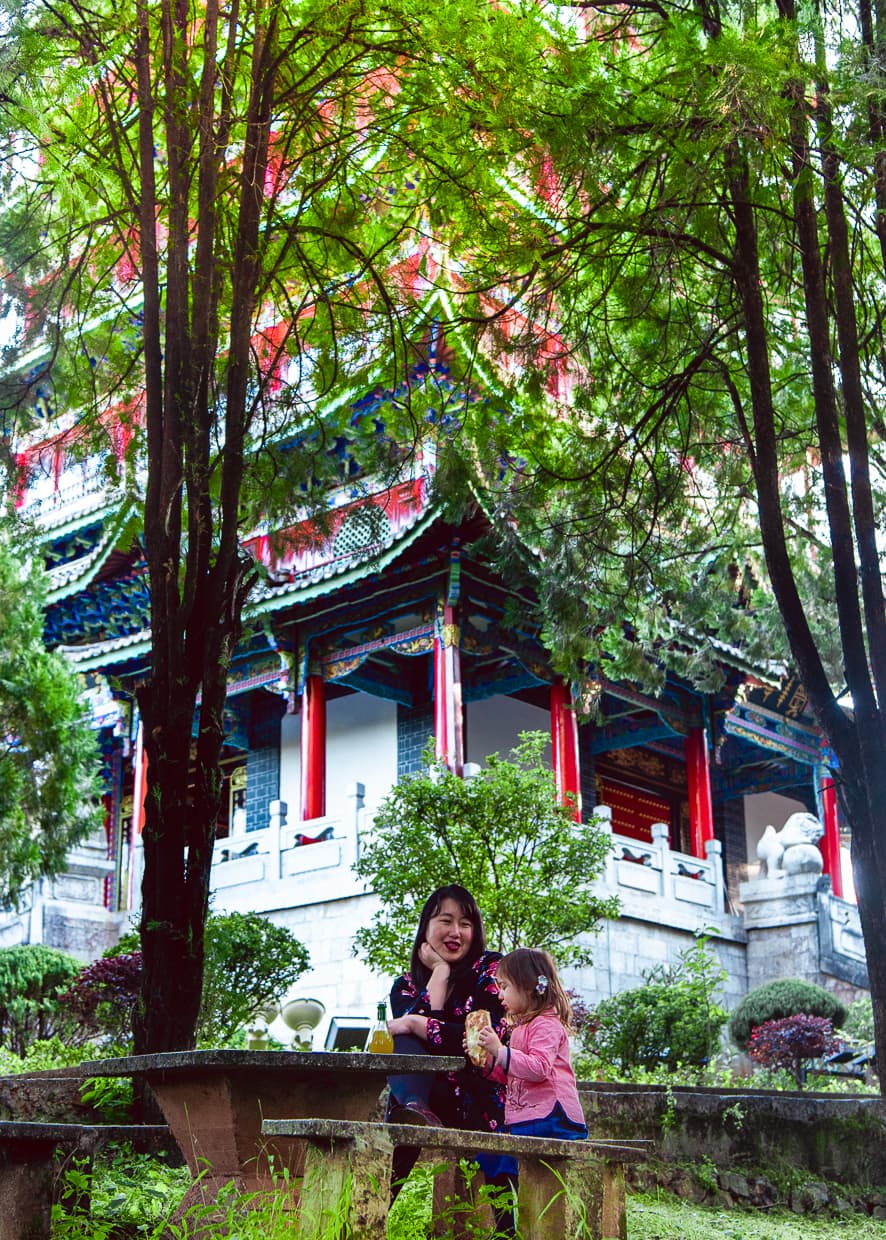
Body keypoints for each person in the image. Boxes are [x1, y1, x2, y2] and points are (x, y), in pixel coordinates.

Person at [385, 884, 510, 1197]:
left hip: (479, 1094)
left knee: (410, 1030)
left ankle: (505, 1231)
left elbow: (482, 1040)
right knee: (403, 1047)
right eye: (445, 921)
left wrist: (418, 1023)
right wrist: (439, 975)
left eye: (465, 924)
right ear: (426, 926)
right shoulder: (406, 986)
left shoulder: (490, 969)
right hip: (426, 1098)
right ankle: (367, 1220)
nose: (456, 932)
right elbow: (407, 1035)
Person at [477, 946, 588, 1142]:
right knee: (493, 1160)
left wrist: (501, 1051)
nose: (499, 995)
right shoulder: (521, 1028)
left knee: (500, 1159)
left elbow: (538, 1068)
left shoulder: (546, 1025)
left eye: (504, 987)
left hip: (553, 1118)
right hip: (528, 1118)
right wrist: (488, 1060)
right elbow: (515, 1073)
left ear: (527, 986)